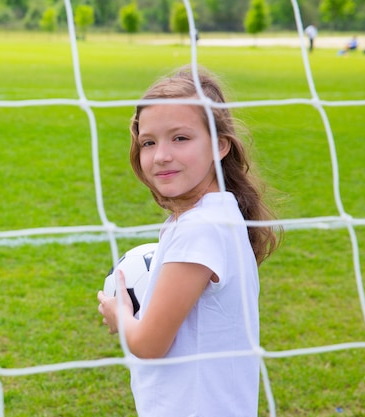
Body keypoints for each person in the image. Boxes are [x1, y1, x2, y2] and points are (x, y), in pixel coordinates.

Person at [97, 65, 280, 416]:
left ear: (220, 145)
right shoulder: (218, 215)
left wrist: (120, 315)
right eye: (148, 142)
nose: (161, 155)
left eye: (180, 138)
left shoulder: (200, 229)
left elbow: (149, 343)